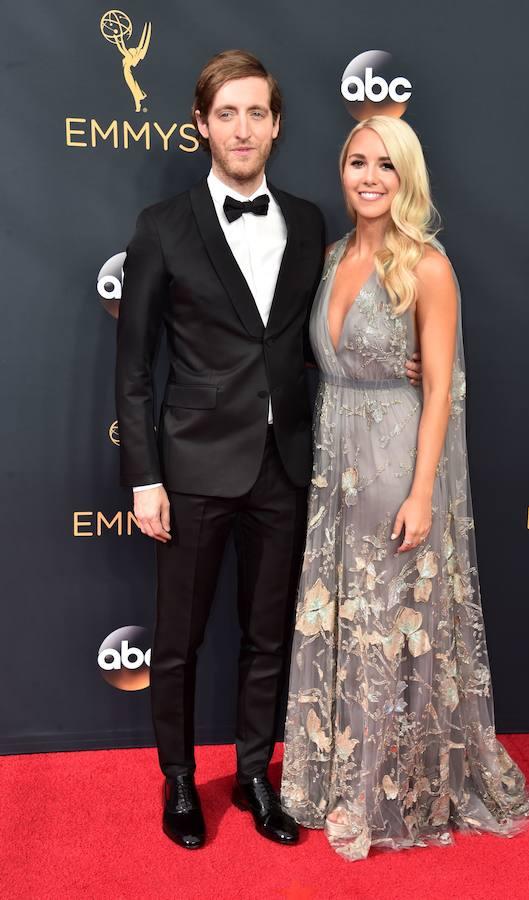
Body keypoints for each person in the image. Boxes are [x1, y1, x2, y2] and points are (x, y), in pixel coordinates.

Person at [116, 48, 425, 850]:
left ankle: (256, 774)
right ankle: (180, 781)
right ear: (201, 125)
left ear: (277, 125)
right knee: (178, 641)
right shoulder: (161, 227)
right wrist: (144, 477)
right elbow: (134, 367)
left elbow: (327, 335)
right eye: (227, 113)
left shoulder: (311, 222)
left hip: (287, 467)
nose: (243, 128)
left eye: (257, 112)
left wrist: (398, 363)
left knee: (268, 635)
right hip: (189, 469)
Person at [280, 115, 529, 860]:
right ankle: (340, 775)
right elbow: (324, 360)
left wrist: (423, 491)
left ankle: (395, 791)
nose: (368, 177)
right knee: (346, 618)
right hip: (335, 465)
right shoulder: (328, 258)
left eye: (385, 166)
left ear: (408, 178)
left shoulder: (426, 266)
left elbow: (443, 394)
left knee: (394, 628)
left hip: (396, 465)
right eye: (357, 162)